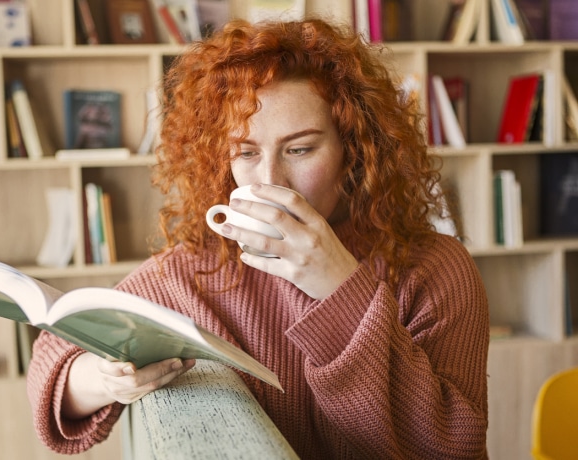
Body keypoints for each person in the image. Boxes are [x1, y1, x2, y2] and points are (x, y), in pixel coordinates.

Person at [27, 18, 489, 459]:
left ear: (354, 150)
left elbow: (450, 446)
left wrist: (340, 287)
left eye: (301, 149)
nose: (270, 181)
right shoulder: (199, 269)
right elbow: (55, 362)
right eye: (245, 153)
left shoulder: (432, 267)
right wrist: (104, 381)